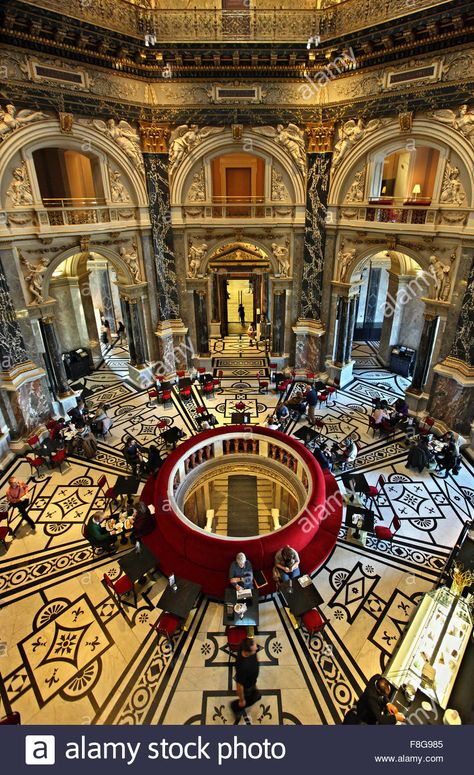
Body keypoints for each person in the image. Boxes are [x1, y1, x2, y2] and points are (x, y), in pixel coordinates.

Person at [231, 638, 261, 716]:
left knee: (255, 694)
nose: (257, 648)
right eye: (254, 650)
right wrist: (242, 700)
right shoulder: (242, 667)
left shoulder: (245, 645)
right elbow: (239, 685)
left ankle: (255, 694)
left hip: (252, 681)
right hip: (247, 686)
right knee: (249, 699)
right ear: (247, 652)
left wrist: (256, 661)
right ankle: (235, 707)